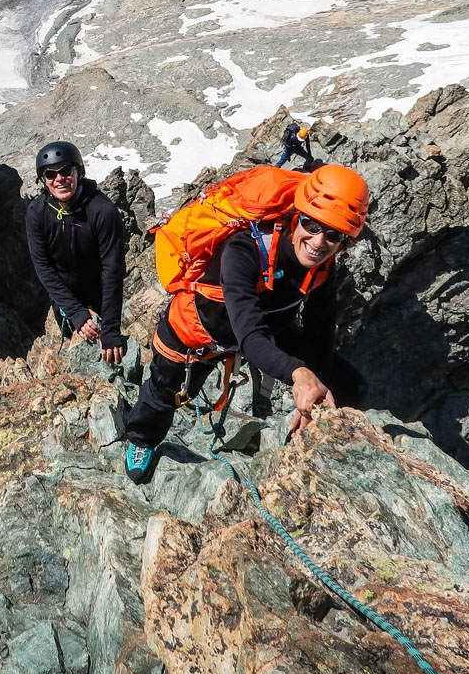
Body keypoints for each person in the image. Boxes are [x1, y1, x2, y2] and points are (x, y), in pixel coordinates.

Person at [121, 163, 370, 483]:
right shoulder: (244, 249)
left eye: (334, 235)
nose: (319, 242)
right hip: (198, 332)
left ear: (344, 242)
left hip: (264, 327)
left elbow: (319, 330)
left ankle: (324, 450)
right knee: (164, 393)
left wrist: (314, 394)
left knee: (351, 386)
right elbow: (250, 337)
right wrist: (299, 373)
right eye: (311, 224)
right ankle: (141, 440)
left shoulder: (322, 264)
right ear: (297, 215)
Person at [25, 141, 127, 365]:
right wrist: (75, 312)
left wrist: (110, 329)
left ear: (78, 171)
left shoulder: (102, 211)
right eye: (50, 174)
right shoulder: (37, 213)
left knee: (108, 356)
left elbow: (113, 270)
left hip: (100, 295)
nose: (59, 178)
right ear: (43, 180)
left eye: (65, 171)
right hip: (64, 298)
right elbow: (43, 267)